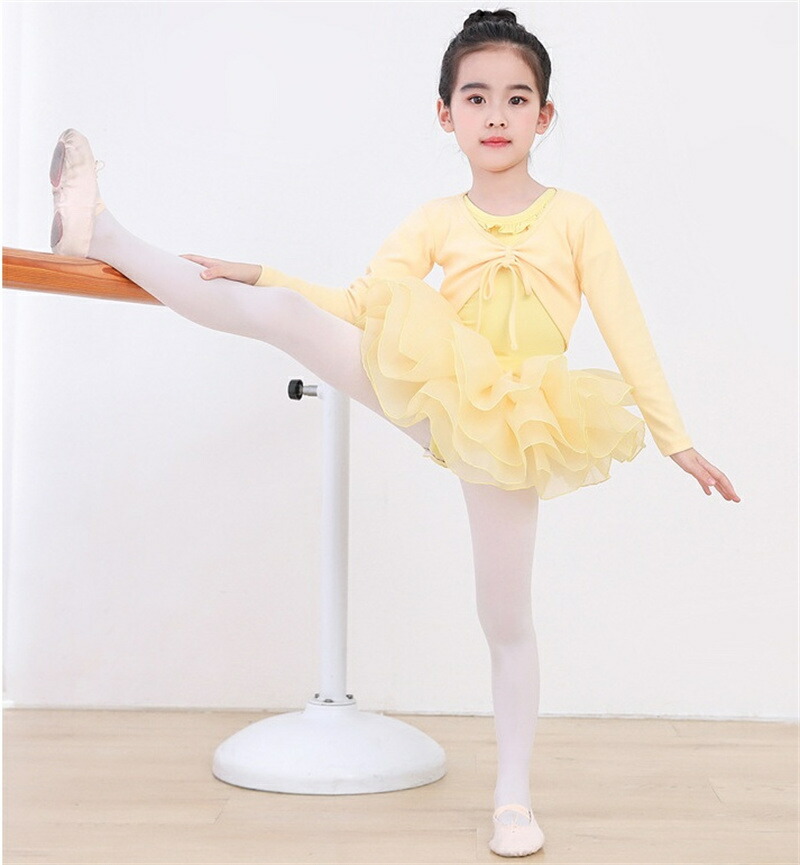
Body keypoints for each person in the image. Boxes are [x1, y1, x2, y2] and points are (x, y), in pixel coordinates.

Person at [48, 7, 740, 857]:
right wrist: (264, 273)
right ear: (446, 114)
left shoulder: (577, 218)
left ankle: (513, 796)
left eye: (516, 98)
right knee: (282, 312)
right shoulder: (436, 219)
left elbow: (628, 329)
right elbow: (360, 302)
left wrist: (675, 438)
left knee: (505, 616)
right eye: (476, 97)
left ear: (544, 115)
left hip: (518, 425)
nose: (495, 115)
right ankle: (105, 232)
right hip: (431, 389)